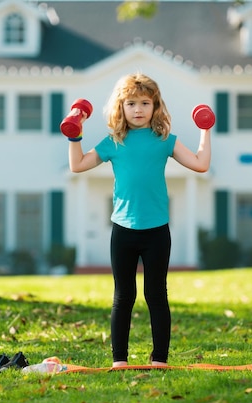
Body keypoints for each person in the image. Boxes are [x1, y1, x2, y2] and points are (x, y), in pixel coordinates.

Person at [67, 72, 211, 367]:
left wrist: (205, 130)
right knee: (124, 296)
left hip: (157, 230)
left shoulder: (165, 141)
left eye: (145, 103)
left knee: (156, 294)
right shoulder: (113, 143)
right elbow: (78, 165)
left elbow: (200, 164)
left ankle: (160, 358)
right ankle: (119, 359)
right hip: (123, 230)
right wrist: (74, 133)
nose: (138, 109)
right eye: (131, 103)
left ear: (156, 107)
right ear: (121, 108)